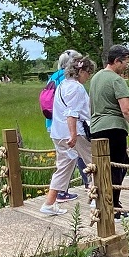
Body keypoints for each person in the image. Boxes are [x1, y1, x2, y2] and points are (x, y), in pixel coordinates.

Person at [88, 45, 129, 218]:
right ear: (116, 61)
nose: (127, 67)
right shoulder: (116, 80)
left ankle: (107, 204)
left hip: (97, 128)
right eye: (125, 63)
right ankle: (113, 208)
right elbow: (126, 109)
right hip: (114, 128)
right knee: (117, 167)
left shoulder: (96, 78)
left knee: (104, 168)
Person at [41, 56, 95, 216]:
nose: (89, 76)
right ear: (80, 71)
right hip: (76, 133)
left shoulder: (63, 85)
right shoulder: (76, 88)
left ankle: (49, 203)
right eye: (88, 72)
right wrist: (73, 135)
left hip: (58, 132)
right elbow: (72, 113)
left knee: (64, 167)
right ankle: (96, 199)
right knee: (94, 163)